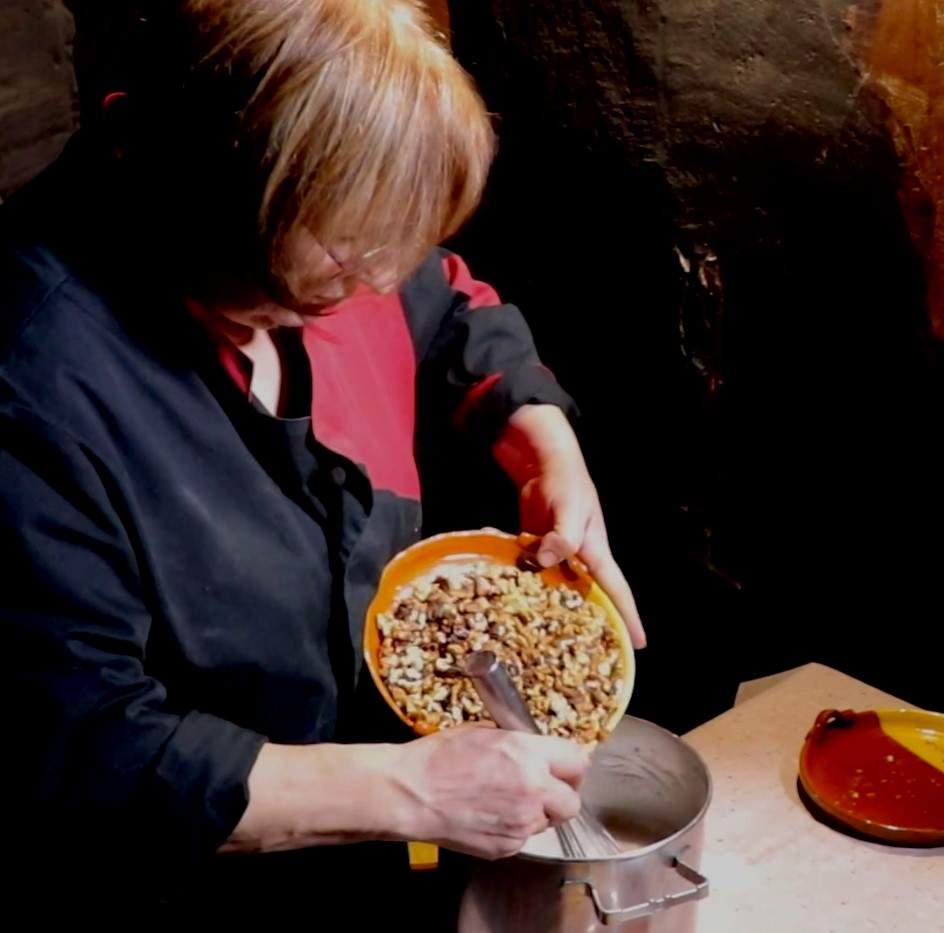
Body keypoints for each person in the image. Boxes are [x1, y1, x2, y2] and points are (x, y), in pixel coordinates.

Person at [0, 0, 644, 925]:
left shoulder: (320, 237)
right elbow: (87, 754)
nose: (375, 286)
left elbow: (446, 303)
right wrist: (408, 792)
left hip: (352, 853)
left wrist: (541, 433)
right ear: (210, 190)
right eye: (344, 263)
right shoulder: (34, 385)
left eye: (393, 246)